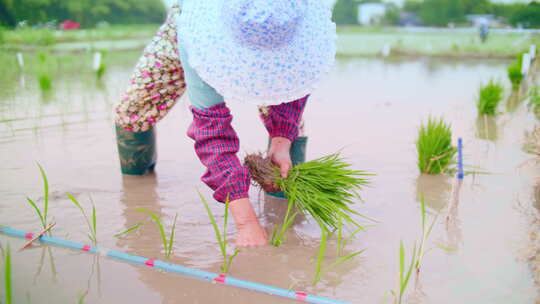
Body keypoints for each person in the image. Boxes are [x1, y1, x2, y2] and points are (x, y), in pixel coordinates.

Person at [115, 0, 336, 247]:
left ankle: (284, 206)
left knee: (290, 118)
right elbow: (211, 130)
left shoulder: (297, 24)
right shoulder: (197, 37)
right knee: (133, 111)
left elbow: (295, 88)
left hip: (281, 38)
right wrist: (246, 222)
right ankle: (136, 189)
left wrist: (282, 140)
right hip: (204, 23)